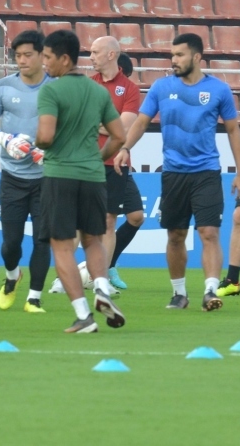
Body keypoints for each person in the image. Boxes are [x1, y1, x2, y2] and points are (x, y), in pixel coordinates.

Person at [114, 34, 240, 312]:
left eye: (180, 55)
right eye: (172, 55)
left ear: (197, 57)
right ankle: (179, 294)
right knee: (175, 235)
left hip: (207, 173)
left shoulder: (219, 90)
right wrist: (125, 147)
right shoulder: (161, 87)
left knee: (209, 233)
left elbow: (234, 131)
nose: (174, 60)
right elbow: (140, 122)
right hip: (173, 174)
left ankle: (210, 291)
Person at [35, 29, 127, 334]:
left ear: (64, 59)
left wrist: (32, 144)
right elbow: (119, 136)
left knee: (62, 246)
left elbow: (46, 137)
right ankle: (102, 289)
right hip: (93, 176)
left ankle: (83, 315)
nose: (44, 63)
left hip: (60, 175)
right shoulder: (98, 92)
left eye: (48, 57)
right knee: (93, 239)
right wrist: (98, 157)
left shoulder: (51, 91)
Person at [0, 30, 52, 313]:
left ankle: (34, 297)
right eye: (17, 56)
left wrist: (49, 152)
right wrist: (5, 140)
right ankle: (12, 276)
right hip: (12, 176)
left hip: (46, 178)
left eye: (27, 55)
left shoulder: (55, 88)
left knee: (42, 239)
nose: (21, 60)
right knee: (10, 244)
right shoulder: (2, 86)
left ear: (41, 56)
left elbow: (68, 127)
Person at [87, 38, 144, 291]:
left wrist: (104, 126)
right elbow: (83, 122)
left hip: (115, 164)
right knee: (87, 223)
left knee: (111, 221)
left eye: (95, 52)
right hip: (88, 162)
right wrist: (110, 126)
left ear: (111, 55)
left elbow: (124, 127)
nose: (91, 57)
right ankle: (86, 272)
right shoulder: (88, 85)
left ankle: (103, 278)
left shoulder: (129, 89)